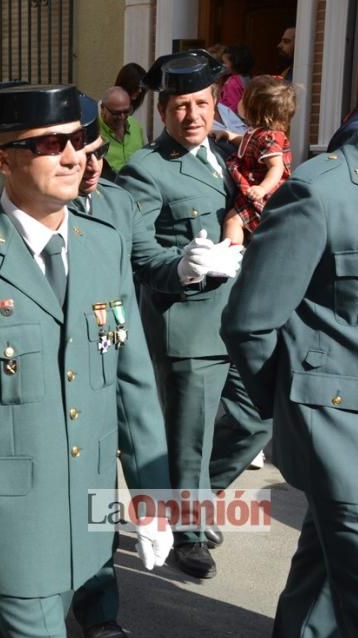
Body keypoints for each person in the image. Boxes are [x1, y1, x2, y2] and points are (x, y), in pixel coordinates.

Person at [0, 81, 173, 638]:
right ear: (3, 159)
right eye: (51, 144)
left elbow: (133, 386)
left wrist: (153, 497)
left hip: (84, 515)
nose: (75, 156)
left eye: (76, 140)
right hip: (7, 524)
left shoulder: (103, 247)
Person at [222, 21, 358, 638]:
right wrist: (303, 413)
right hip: (347, 447)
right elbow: (250, 322)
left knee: (320, 592)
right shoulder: (321, 192)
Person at [115, 50, 271, 580]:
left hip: (242, 318)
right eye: (180, 107)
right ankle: (189, 532)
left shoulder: (231, 154)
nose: (193, 116)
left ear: (214, 104)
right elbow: (141, 253)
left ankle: (200, 497)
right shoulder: (148, 169)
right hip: (188, 322)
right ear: (162, 112)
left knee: (257, 417)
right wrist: (181, 264)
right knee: (188, 437)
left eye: (201, 104)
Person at [65, 93, 166, 638]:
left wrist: (186, 264)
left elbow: (143, 263)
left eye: (100, 151)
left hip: (101, 370)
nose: (94, 164)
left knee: (98, 501)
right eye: (83, 151)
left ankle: (99, 608)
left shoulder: (118, 208)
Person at [220, 75, 296, 245]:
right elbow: (248, 144)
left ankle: (232, 254)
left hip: (263, 193)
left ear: (253, 108)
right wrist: (229, 136)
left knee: (232, 221)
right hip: (254, 188)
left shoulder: (271, 137)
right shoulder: (257, 132)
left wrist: (262, 189)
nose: (239, 100)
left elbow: (276, 167)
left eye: (243, 97)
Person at [99, 86, 144, 178]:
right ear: (103, 108)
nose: (122, 117)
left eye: (126, 111)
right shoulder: (93, 132)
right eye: (116, 113)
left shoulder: (135, 125)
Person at [218, 45, 254, 112]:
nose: (223, 65)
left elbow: (233, 107)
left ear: (235, 63)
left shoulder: (233, 83)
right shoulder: (247, 77)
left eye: (225, 62)